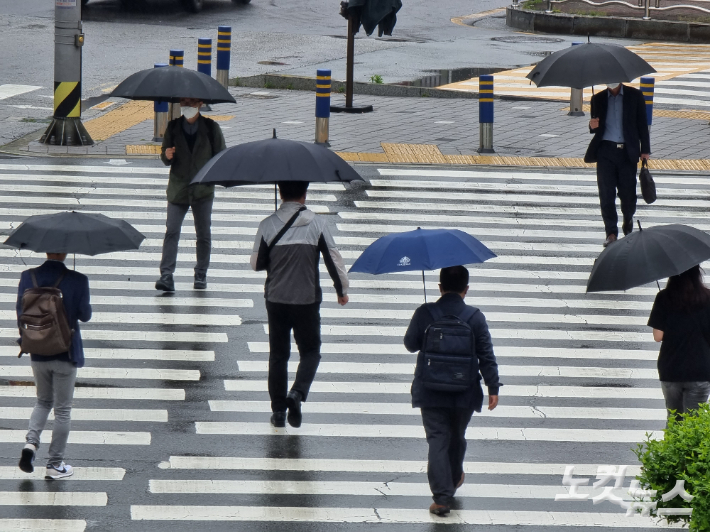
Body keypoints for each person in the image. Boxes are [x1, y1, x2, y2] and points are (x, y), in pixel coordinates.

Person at [250, 181, 349, 429]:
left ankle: (278, 412)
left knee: (278, 356)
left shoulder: (268, 224)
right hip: (307, 299)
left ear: (280, 193)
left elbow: (256, 264)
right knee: (311, 351)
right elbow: (333, 260)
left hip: (276, 298)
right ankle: (297, 393)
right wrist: (341, 290)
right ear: (305, 193)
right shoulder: (317, 223)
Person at [404, 265, 500, 516]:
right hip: (464, 391)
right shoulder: (475, 317)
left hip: (431, 390)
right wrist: (492, 386)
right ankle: (455, 475)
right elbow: (486, 355)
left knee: (437, 439)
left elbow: (409, 345)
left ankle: (441, 498)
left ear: (440, 287)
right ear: (466, 290)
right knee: (457, 435)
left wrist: (424, 320)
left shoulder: (425, 313)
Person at [16, 253, 92, 479]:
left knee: (43, 401)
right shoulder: (77, 279)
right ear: (66, 253)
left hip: (38, 351)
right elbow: (85, 315)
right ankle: (55, 464)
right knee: (63, 409)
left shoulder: (28, 277)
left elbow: (20, 313)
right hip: (65, 352)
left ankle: (31, 444)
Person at [156, 97, 226, 292]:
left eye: (192, 103)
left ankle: (201, 274)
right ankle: (166, 275)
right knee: (172, 231)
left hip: (202, 190)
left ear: (200, 104)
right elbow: (165, 155)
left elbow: (221, 155)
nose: (187, 106)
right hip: (178, 188)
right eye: (184, 102)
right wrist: (166, 155)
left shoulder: (211, 128)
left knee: (203, 234)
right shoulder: (173, 126)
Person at [584, 82, 651, 248]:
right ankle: (611, 232)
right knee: (606, 193)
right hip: (605, 151)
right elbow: (595, 126)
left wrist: (645, 150)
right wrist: (591, 125)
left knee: (628, 193)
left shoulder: (635, 96)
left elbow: (642, 124)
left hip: (627, 151)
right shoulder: (597, 98)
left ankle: (628, 218)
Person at [648, 265, 710, 421]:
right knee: (693, 424)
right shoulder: (707, 297)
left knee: (674, 420)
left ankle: (672, 446)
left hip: (671, 368)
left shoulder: (664, 297)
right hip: (700, 369)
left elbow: (657, 336)